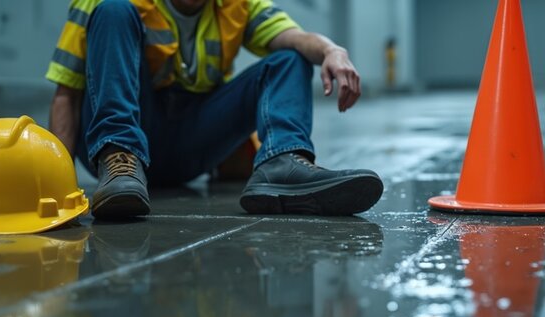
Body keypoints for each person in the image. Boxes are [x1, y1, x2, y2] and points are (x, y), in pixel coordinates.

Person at [46, 0, 383, 219]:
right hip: (128, 136)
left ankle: (282, 165)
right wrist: (55, 191)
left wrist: (331, 50)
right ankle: (120, 161)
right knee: (113, 10)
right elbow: (67, 95)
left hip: (192, 142)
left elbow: (296, 37)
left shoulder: (238, 5)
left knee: (290, 59)